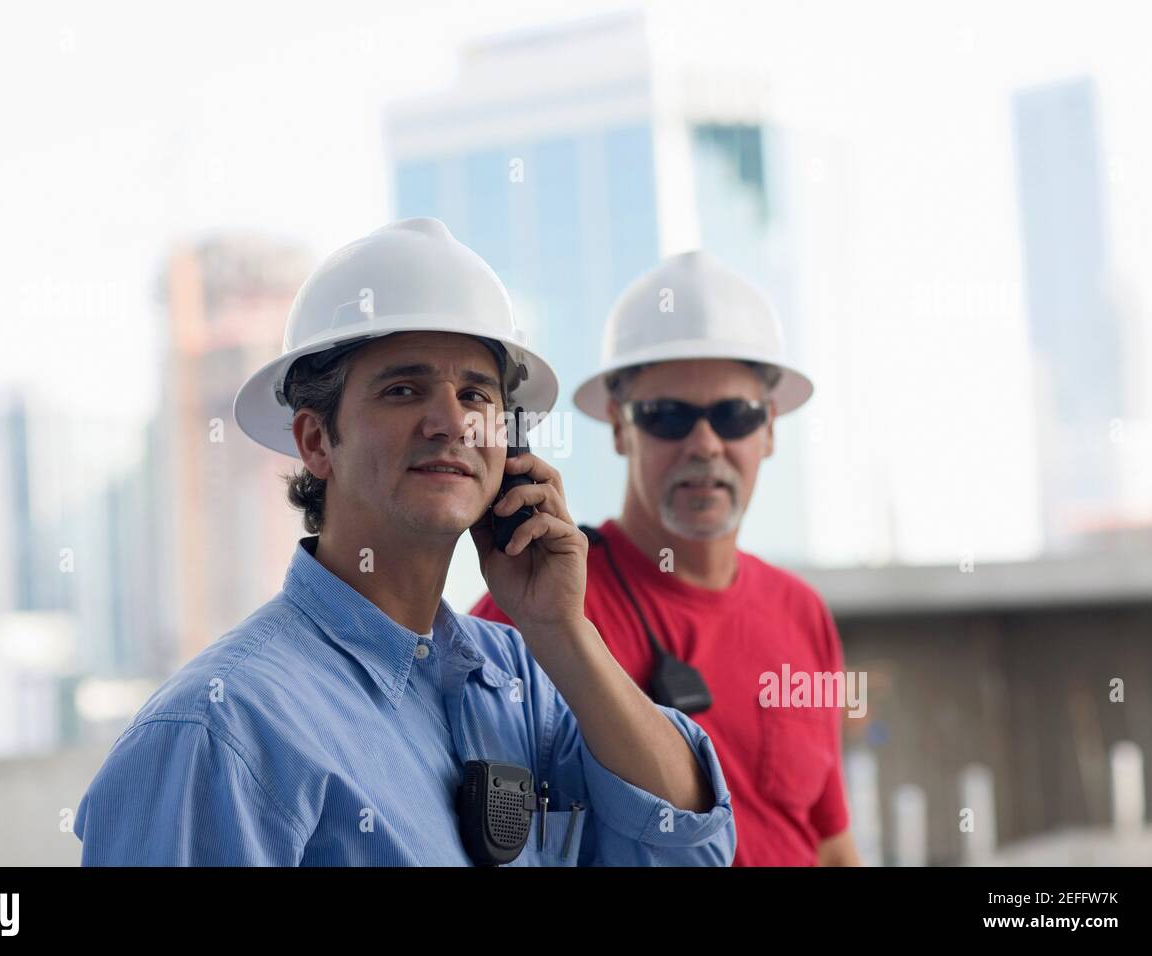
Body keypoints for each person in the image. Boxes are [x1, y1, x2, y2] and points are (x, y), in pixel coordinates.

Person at [72, 219, 735, 866]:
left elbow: (693, 849)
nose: (451, 422)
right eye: (403, 389)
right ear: (314, 440)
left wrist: (561, 630)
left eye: (477, 394)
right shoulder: (220, 731)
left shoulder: (524, 681)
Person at [472, 251, 861, 866]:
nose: (705, 444)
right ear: (620, 429)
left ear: (769, 429)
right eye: (667, 416)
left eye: (734, 416)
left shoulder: (801, 613)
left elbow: (832, 844)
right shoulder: (535, 607)